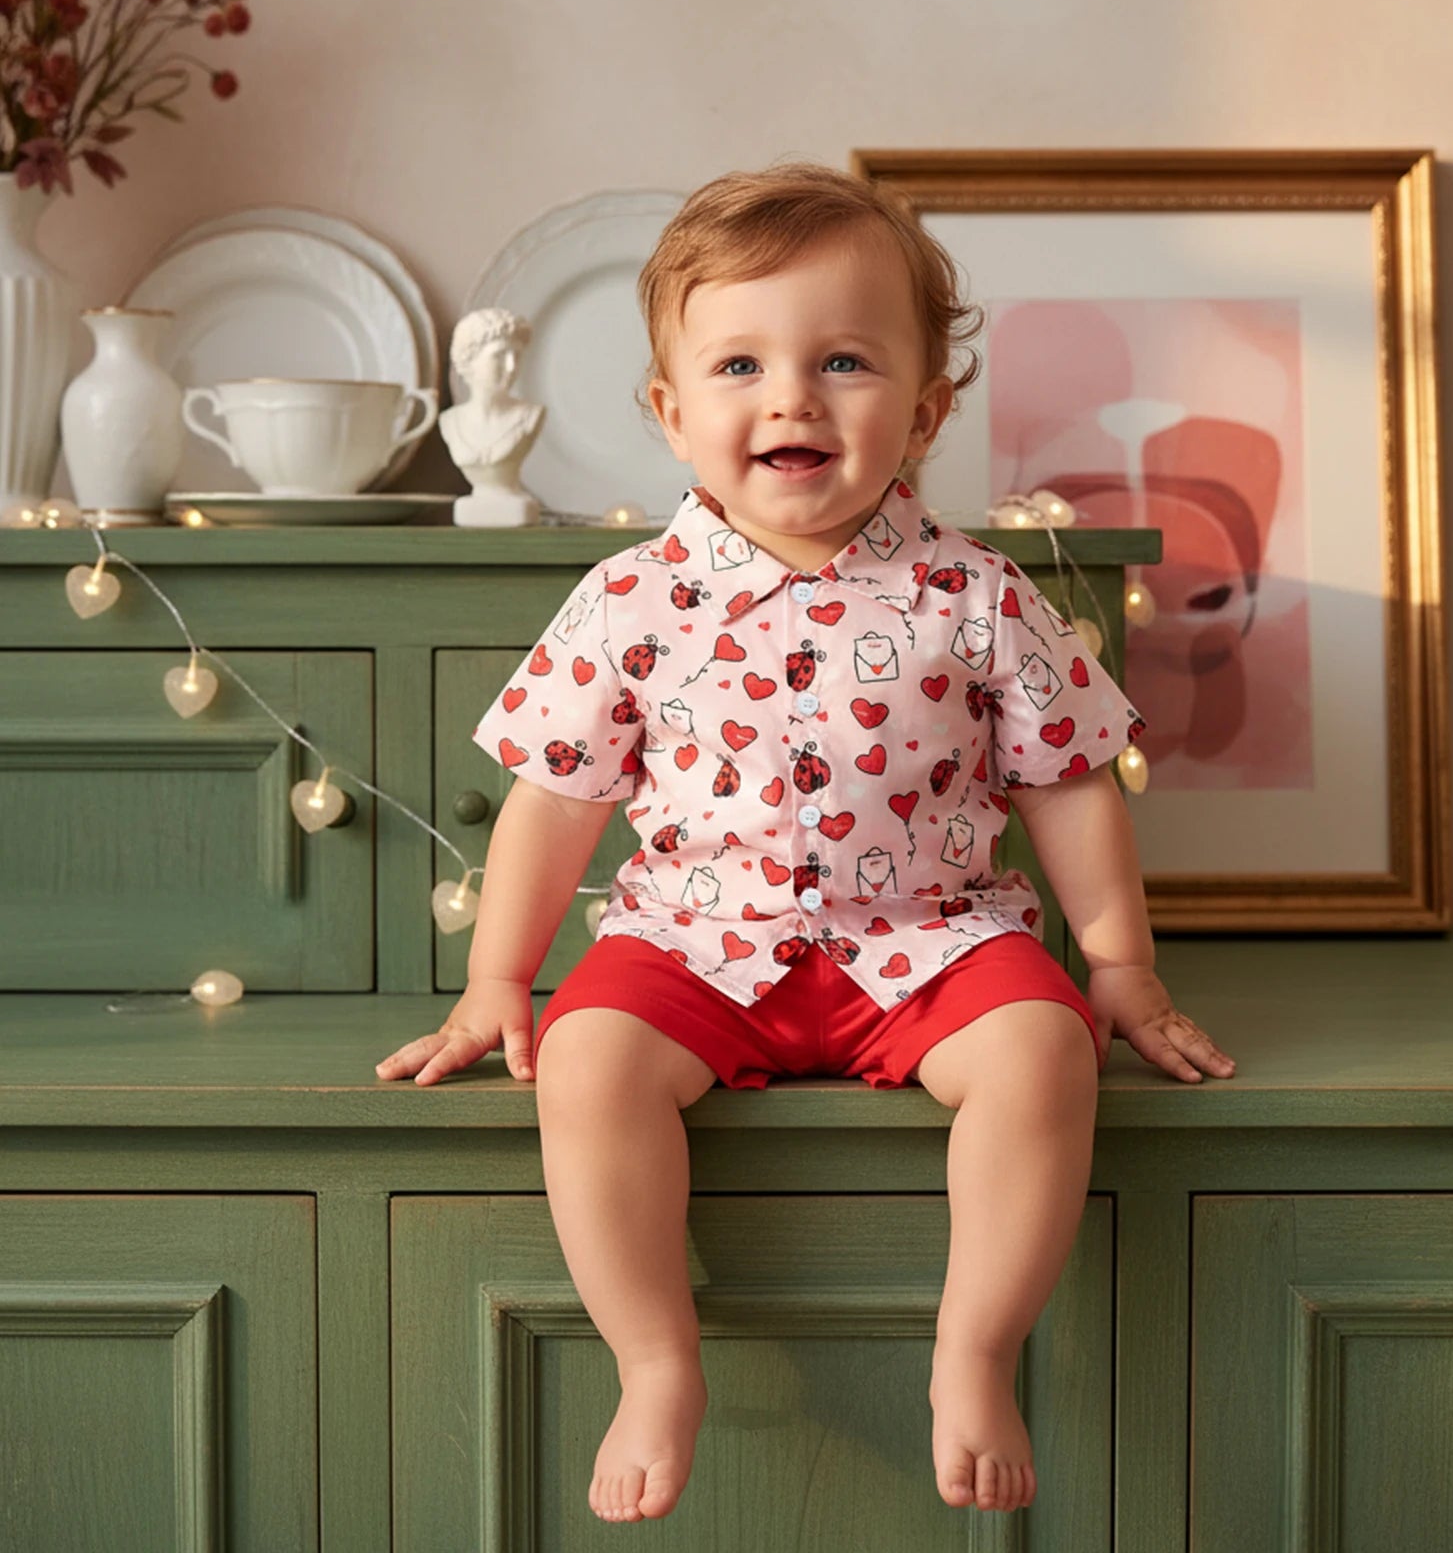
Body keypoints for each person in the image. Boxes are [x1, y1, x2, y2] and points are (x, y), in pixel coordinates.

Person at [375, 162, 1236, 1525]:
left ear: (925, 410)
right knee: (588, 1064)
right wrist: (497, 980)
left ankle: (975, 1350)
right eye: (739, 365)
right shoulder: (631, 600)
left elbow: (1069, 785)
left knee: (1043, 1051)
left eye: (843, 360)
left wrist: (1119, 967)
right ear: (673, 412)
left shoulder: (977, 594)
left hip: (934, 941)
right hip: (690, 943)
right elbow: (555, 798)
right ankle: (656, 1363)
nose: (791, 398)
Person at [438, 306, 546, 525]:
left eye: (517, 356)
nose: (511, 367)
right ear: (469, 359)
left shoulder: (529, 416)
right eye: (499, 356)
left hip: (515, 508)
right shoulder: (450, 422)